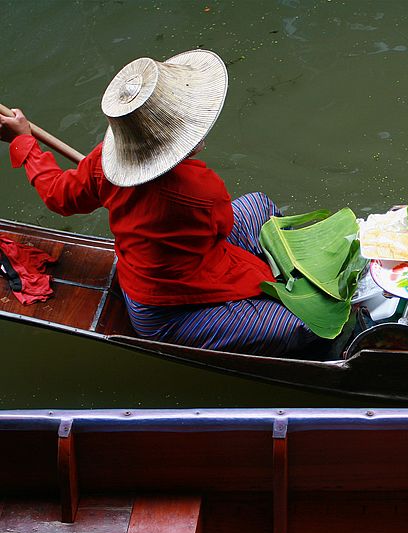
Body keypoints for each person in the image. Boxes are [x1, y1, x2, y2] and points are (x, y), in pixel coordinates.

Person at [0, 49, 315, 357]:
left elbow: (58, 195)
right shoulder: (201, 188)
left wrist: (24, 140)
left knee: (259, 205)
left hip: (155, 269)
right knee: (301, 326)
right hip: (167, 309)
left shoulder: (103, 163)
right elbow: (221, 230)